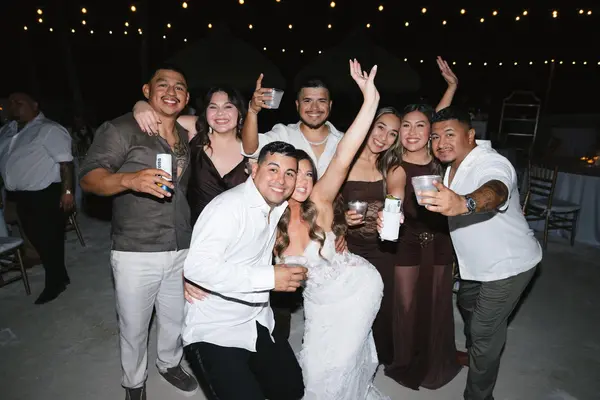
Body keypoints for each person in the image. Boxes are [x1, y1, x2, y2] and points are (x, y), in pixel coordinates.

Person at [79, 65, 199, 400]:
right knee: (134, 325)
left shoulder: (187, 134)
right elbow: (89, 178)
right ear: (147, 90)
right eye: (163, 85)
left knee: (175, 317)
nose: (171, 92)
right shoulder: (122, 129)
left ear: (187, 97)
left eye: (179, 87)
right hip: (136, 248)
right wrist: (129, 180)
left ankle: (169, 363)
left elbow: (223, 120)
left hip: (181, 244)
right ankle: (134, 382)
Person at [275, 59, 387, 399]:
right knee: (314, 367)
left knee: (338, 364)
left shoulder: (320, 200)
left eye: (309, 174)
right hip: (319, 303)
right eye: (294, 173)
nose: (302, 181)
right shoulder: (267, 220)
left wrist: (370, 99)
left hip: (357, 286)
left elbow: (343, 154)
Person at [342, 57, 459, 371]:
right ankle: (401, 356)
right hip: (402, 241)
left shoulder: (436, 153)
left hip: (438, 237)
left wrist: (451, 88)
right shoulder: (392, 165)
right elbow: (394, 191)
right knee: (402, 302)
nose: (410, 132)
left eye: (399, 130)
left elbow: (429, 124)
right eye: (402, 128)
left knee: (435, 300)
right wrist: (391, 211)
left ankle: (433, 352)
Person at [421, 106, 542, 400]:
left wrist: (465, 203)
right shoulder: (451, 166)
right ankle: (477, 349)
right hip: (475, 265)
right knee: (466, 304)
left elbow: (496, 189)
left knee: (484, 331)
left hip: (508, 264)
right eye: (435, 137)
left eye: (450, 134)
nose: (441, 142)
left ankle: (478, 395)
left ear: (470, 135)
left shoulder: (492, 162)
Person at [183, 141, 306, 400]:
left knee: (291, 390)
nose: (281, 180)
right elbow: (197, 267)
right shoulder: (228, 207)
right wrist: (269, 277)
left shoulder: (277, 205)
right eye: (273, 169)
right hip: (216, 329)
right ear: (254, 169)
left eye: (289, 173)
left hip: (257, 319)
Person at [132, 86, 249, 224]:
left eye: (228, 107)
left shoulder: (253, 145)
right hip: (198, 230)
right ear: (206, 112)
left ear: (240, 112)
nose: (220, 113)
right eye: (213, 107)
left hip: (242, 230)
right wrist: (140, 105)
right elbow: (159, 119)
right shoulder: (196, 130)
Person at [0, 92, 74, 304]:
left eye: (19, 102)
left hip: (46, 193)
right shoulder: (7, 131)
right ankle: (60, 276)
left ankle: (55, 282)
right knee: (36, 237)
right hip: (20, 196)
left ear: (34, 105)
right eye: (11, 103)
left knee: (50, 239)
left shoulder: (48, 129)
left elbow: (66, 163)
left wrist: (68, 192)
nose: (14, 106)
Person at [241, 74, 344, 178]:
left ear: (330, 105)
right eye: (307, 101)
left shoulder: (344, 140)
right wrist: (252, 111)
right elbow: (250, 149)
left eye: (321, 101)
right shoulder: (284, 134)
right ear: (297, 105)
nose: (314, 108)